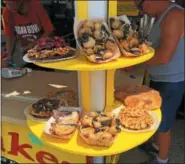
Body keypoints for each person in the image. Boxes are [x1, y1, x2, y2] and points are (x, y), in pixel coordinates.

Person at [132, 0, 184, 163]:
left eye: (140, 6)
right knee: (156, 115)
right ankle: (156, 146)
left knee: (163, 122)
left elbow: (163, 57)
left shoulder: (174, 16)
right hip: (160, 77)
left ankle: (163, 160)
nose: (141, 11)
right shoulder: (162, 15)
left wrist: (134, 63)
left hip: (171, 80)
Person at [2, 0, 54, 67]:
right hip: (25, 53)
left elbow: (49, 31)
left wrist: (34, 44)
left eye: (10, 2)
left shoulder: (36, 5)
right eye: (5, 2)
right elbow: (10, 36)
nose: (8, 5)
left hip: (44, 52)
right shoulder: (7, 12)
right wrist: (8, 56)